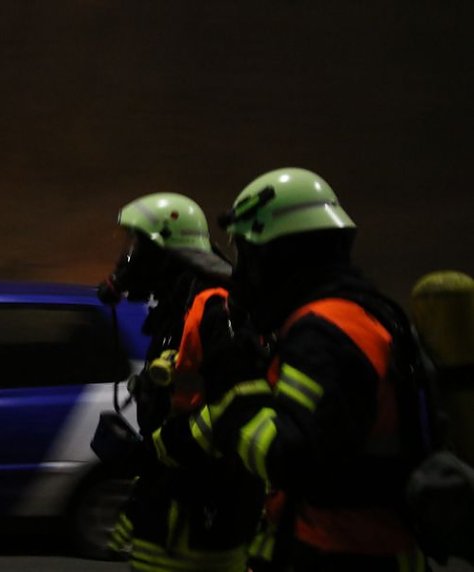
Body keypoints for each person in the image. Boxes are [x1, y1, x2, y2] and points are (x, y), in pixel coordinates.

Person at [153, 167, 432, 571]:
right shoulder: (360, 315)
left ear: (276, 257)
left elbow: (291, 460)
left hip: (340, 553)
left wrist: (237, 385)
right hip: (352, 547)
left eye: (246, 253)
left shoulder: (325, 333)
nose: (241, 271)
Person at [96, 192, 265, 572]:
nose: (129, 258)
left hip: (202, 520)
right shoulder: (178, 309)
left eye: (137, 244)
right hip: (171, 514)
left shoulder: (216, 309)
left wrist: (158, 448)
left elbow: (236, 412)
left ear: (163, 251)